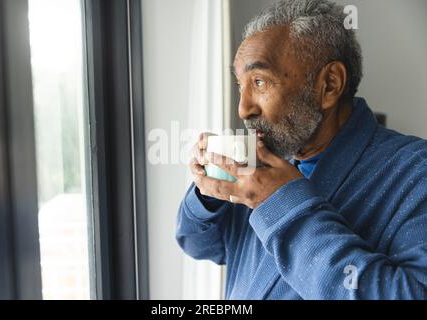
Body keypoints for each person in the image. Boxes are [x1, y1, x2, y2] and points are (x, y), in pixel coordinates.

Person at [176, 0, 427, 299]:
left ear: (330, 85)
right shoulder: (261, 166)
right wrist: (209, 191)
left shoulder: (415, 173)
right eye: (240, 85)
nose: (243, 108)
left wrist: (281, 204)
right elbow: (201, 245)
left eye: (259, 82)